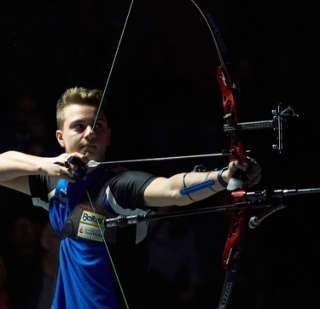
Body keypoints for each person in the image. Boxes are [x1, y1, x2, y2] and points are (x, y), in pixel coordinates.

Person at [0, 87, 261, 309]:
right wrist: (46, 165)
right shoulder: (53, 182)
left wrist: (225, 176)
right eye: (79, 126)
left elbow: (171, 189)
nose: (89, 133)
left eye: (97, 126)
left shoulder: (118, 185)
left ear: (108, 135)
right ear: (60, 137)